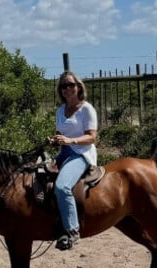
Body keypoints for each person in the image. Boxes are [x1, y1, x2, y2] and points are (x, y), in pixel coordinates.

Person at [51, 71, 98, 250]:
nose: (67, 89)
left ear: (79, 87)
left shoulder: (87, 109)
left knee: (62, 186)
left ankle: (72, 230)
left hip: (81, 154)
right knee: (37, 175)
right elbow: (60, 134)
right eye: (64, 86)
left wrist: (71, 141)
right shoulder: (60, 111)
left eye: (70, 85)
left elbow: (92, 137)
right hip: (64, 152)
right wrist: (55, 139)